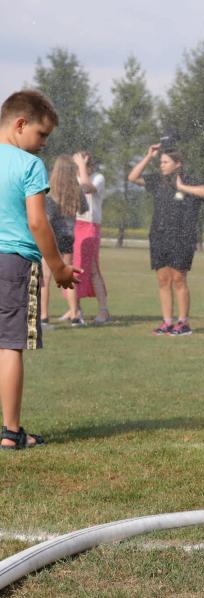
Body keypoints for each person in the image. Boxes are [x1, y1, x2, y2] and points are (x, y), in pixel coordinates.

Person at [0, 90, 80, 449]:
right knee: (9, 346)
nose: (44, 143)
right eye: (41, 134)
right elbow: (37, 222)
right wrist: (59, 267)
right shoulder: (29, 165)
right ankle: (11, 433)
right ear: (20, 124)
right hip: (13, 262)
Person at [128, 144, 204, 336]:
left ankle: (183, 323)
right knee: (163, 280)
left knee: (179, 279)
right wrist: (148, 156)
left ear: (177, 164)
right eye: (161, 162)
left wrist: (182, 188)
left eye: (166, 162)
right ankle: (167, 322)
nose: (162, 165)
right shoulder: (158, 181)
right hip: (159, 236)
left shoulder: (189, 180)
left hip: (182, 237)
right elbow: (132, 177)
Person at [40, 155, 87, 326]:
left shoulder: (49, 190)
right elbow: (84, 209)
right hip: (68, 237)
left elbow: (48, 218)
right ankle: (75, 315)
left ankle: (44, 317)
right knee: (68, 276)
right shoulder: (75, 190)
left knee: (45, 278)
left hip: (51, 238)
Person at [73, 150, 110, 324]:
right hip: (73, 224)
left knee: (93, 269)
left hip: (89, 226)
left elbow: (87, 188)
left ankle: (103, 311)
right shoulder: (74, 177)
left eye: (84, 164)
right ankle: (75, 309)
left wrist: (82, 165)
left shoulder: (98, 178)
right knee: (73, 269)